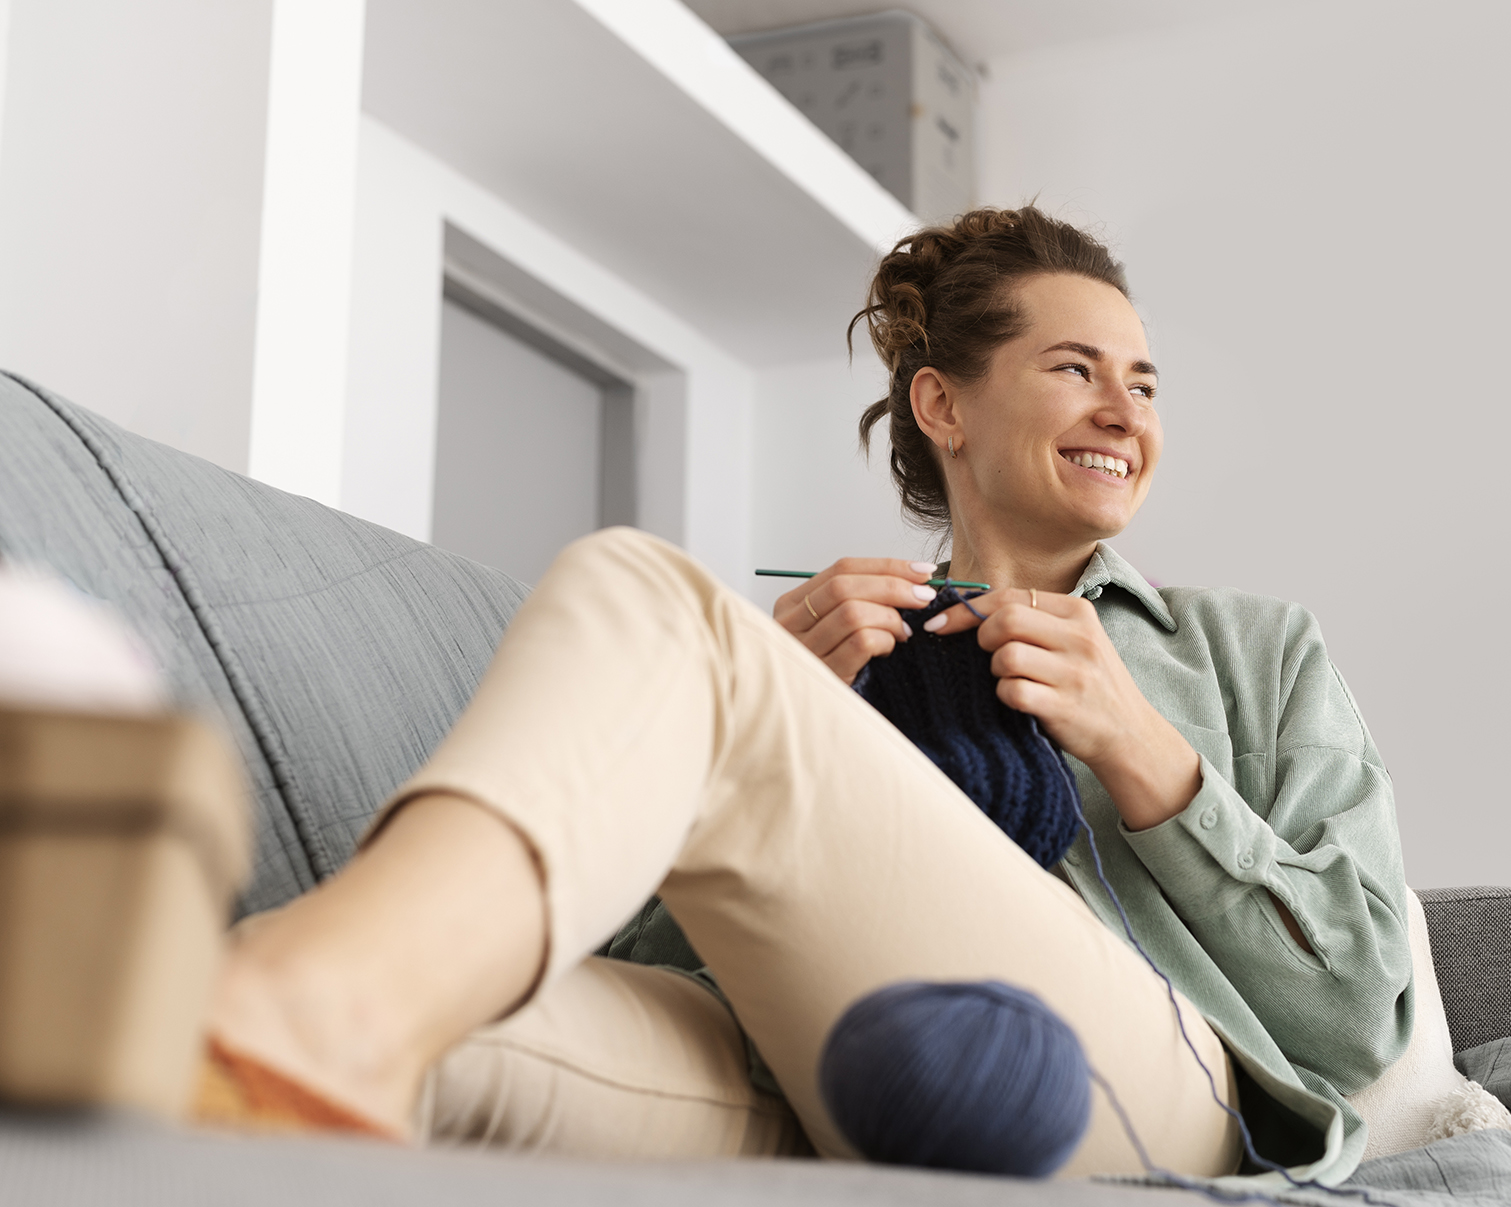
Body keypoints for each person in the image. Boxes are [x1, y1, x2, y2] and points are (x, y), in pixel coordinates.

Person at [198, 207, 1411, 1184]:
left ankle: (292, 993)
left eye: (1142, 384)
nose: (1122, 412)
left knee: (648, 589)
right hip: (811, 1062)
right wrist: (790, 706)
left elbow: (1355, 1013)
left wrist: (1148, 754)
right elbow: (665, 949)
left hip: (1140, 1081)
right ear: (942, 405)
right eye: (1074, 369)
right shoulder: (849, 642)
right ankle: (198, 1012)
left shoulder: (1254, 651)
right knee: (432, 1021)